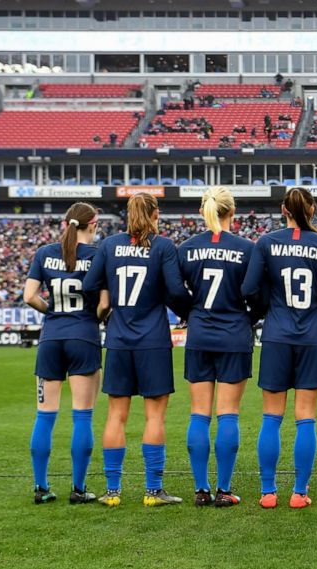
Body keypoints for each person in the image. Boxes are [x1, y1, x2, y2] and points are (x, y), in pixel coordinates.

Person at [241, 187, 317, 509]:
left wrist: (267, 306)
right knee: (306, 418)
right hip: (311, 336)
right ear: (312, 210)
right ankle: (300, 492)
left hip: (276, 334)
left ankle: (268, 492)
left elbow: (249, 288)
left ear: (283, 210)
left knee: (271, 417)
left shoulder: (266, 242)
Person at [83, 193, 191, 507]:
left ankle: (113, 492)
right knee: (154, 416)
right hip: (153, 340)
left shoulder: (108, 245)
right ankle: (153, 491)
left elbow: (91, 285)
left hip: (118, 338)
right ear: (155, 214)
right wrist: (189, 309)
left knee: (116, 415)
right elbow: (174, 291)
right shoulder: (163, 246)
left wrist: (109, 299)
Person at [177, 187, 257, 507]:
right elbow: (257, 294)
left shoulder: (186, 248)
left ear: (203, 211)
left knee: (199, 415)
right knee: (228, 416)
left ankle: (200, 489)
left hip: (199, 336)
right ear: (232, 213)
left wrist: (192, 314)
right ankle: (224, 490)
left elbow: (173, 289)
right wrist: (247, 318)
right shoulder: (247, 248)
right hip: (234, 336)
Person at [24, 203, 109, 505]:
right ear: (93, 225)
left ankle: (41, 487)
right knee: (82, 417)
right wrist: (93, 316)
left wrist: (53, 312)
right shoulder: (98, 255)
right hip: (83, 337)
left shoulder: (45, 252)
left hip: (51, 339)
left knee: (44, 416)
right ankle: (78, 488)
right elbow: (103, 304)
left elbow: (29, 296)